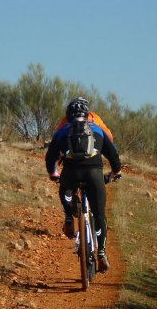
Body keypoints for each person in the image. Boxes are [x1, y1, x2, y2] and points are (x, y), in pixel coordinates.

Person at [45, 97, 122, 272]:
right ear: (88, 115)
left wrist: (53, 173)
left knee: (65, 189)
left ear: (68, 115)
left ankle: (69, 217)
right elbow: (114, 157)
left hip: (71, 174)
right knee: (99, 216)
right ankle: (101, 253)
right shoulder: (98, 129)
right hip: (94, 175)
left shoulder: (62, 131)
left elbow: (50, 158)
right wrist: (114, 173)